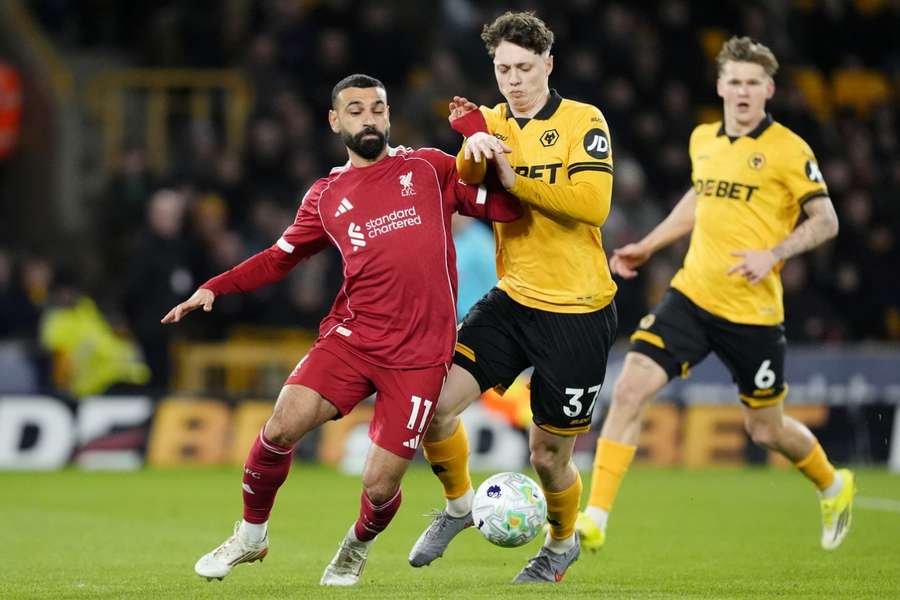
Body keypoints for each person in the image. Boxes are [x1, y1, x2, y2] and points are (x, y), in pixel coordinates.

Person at [162, 74, 521, 586]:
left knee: (379, 487)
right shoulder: (326, 194)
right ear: (335, 121)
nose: (368, 118)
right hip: (352, 339)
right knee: (280, 425)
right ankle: (249, 535)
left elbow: (506, 208)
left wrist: (478, 141)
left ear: (389, 115)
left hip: (420, 355)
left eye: (377, 108)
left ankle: (356, 546)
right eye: (355, 110)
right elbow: (279, 258)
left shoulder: (429, 167)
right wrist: (215, 287)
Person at [576, 36, 855, 553]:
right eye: (736, 81)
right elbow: (699, 199)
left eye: (754, 83)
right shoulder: (703, 137)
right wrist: (649, 245)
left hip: (753, 313)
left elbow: (827, 220)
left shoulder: (790, 150)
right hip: (692, 294)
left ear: (768, 89)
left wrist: (774, 254)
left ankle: (834, 485)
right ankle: (595, 518)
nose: (744, 91)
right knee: (633, 385)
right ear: (721, 85)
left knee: (765, 430)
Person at [408, 12, 617, 583]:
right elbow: (471, 187)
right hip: (513, 300)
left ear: (549, 64)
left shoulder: (582, 120)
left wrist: (512, 171)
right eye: (504, 69)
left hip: (578, 310)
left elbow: (593, 204)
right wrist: (474, 147)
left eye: (525, 68)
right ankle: (457, 506)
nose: (515, 80)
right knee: (431, 407)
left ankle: (560, 544)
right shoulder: (492, 120)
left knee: (548, 457)